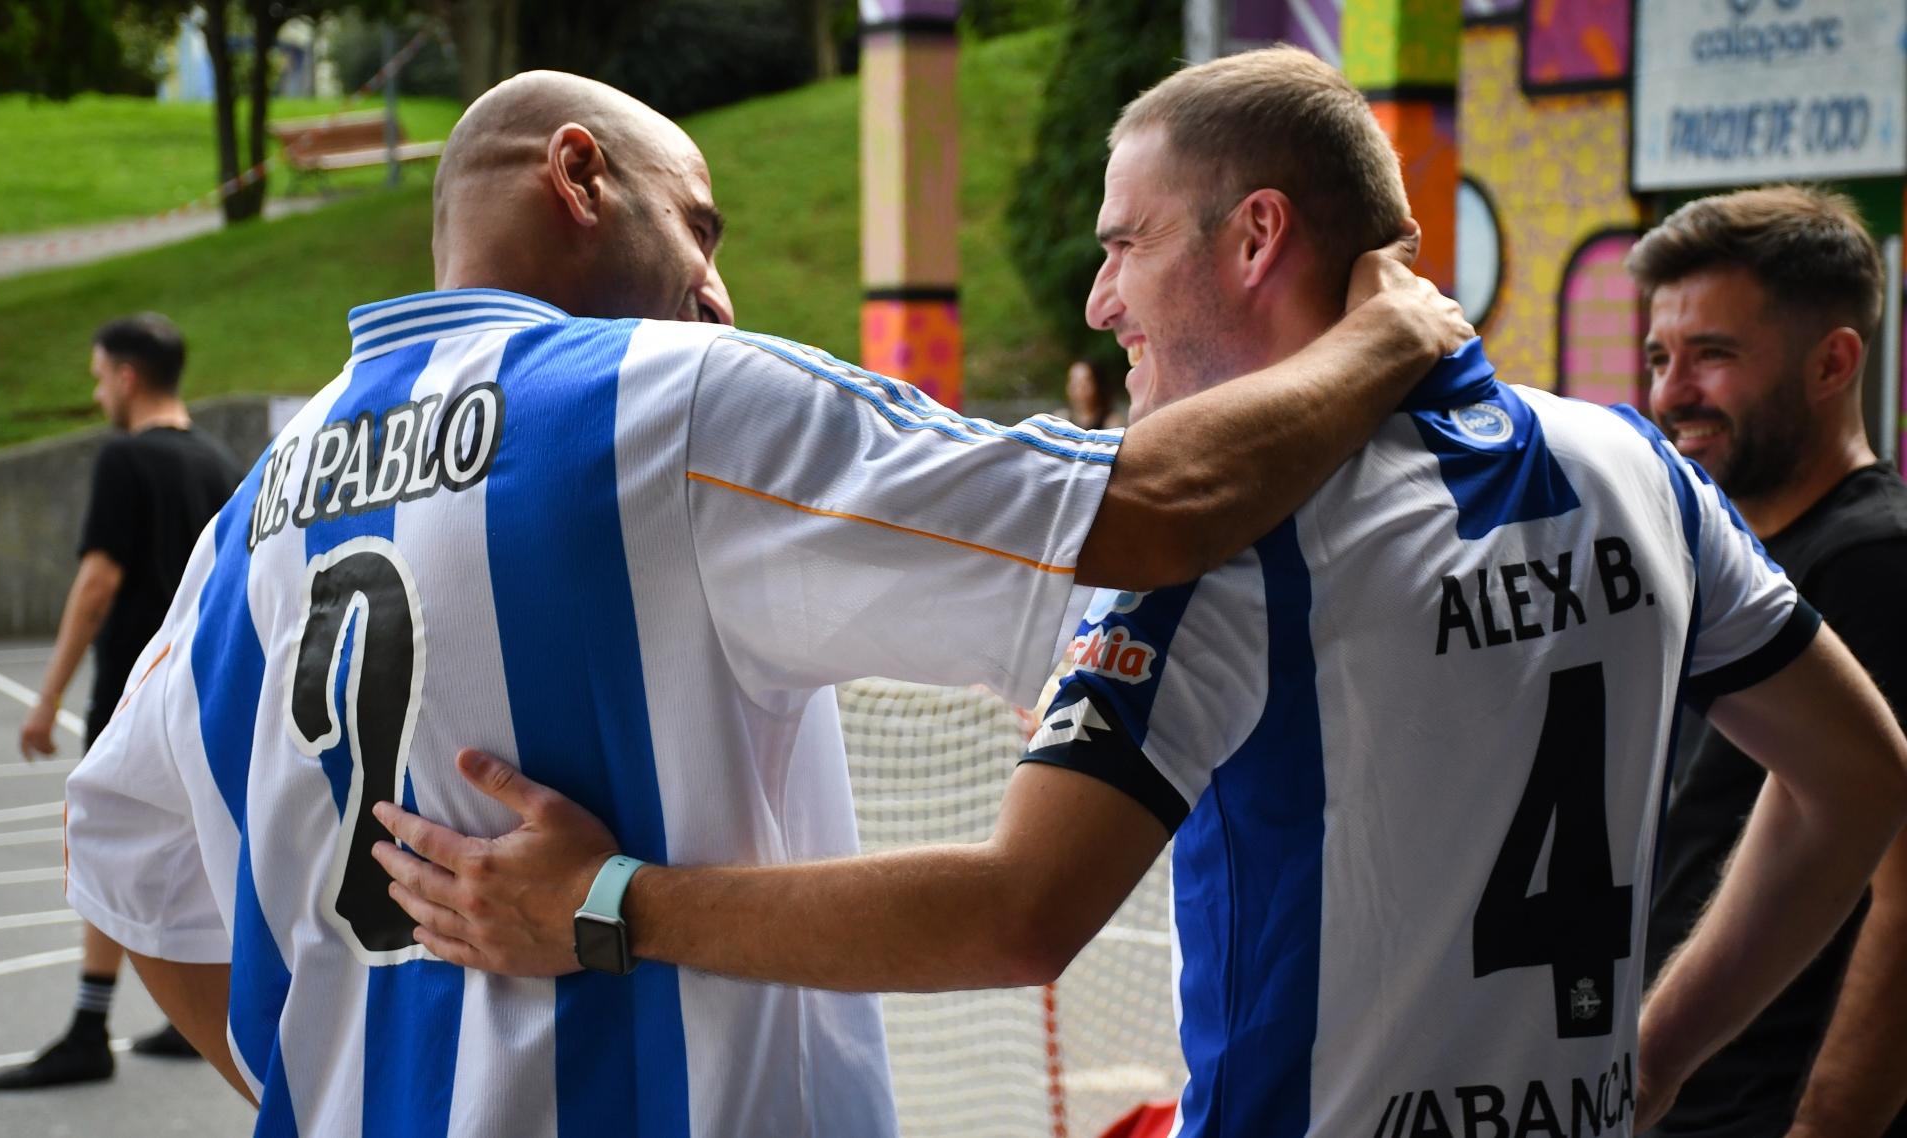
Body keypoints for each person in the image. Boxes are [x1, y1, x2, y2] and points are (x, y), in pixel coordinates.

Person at [369, 50, 1907, 1138]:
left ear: (1257, 237)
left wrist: (611, 905)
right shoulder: (1632, 464)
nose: (1101, 300)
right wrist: (1659, 1055)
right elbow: (1858, 777)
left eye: (1124, 245)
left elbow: (1017, 909)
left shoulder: (1218, 538)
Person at [57, 70, 1472, 1136]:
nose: (721, 295)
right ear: (578, 175)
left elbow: (118, 834)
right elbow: (1149, 510)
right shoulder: (662, 404)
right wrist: (1389, 332)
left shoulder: (263, 501)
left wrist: (316, 1087)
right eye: (702, 228)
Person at [1632, 186, 1907, 1138]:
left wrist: (1826, 1124)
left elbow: (1905, 898)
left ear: (1833, 363)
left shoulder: (1873, 564)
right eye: (1661, 357)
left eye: (1714, 355)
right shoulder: (1730, 565)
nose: (1671, 393)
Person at [0, 315, 236, 1092]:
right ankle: (193, 1011)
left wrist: (48, 696)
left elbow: (98, 583)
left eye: (99, 376)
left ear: (128, 376)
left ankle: (89, 1027)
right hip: (211, 691)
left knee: (114, 842)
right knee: (206, 844)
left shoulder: (126, 461)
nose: (97, 391)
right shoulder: (223, 463)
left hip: (139, 690)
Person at [1064, 358, 1124, 430]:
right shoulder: (1061, 419)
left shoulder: (1112, 423)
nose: (1079, 388)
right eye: (1074, 381)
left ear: (1098, 384)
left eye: (1085, 382)